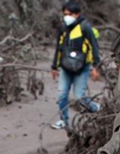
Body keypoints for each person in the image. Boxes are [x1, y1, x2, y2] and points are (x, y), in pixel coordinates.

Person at [50, 1, 101, 129]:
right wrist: (54, 67)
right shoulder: (63, 28)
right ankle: (63, 120)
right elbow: (59, 48)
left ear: (77, 14)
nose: (67, 17)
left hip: (82, 67)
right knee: (62, 95)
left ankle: (96, 109)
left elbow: (94, 47)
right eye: (65, 14)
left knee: (79, 97)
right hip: (65, 67)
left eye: (70, 14)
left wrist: (95, 67)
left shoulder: (85, 28)